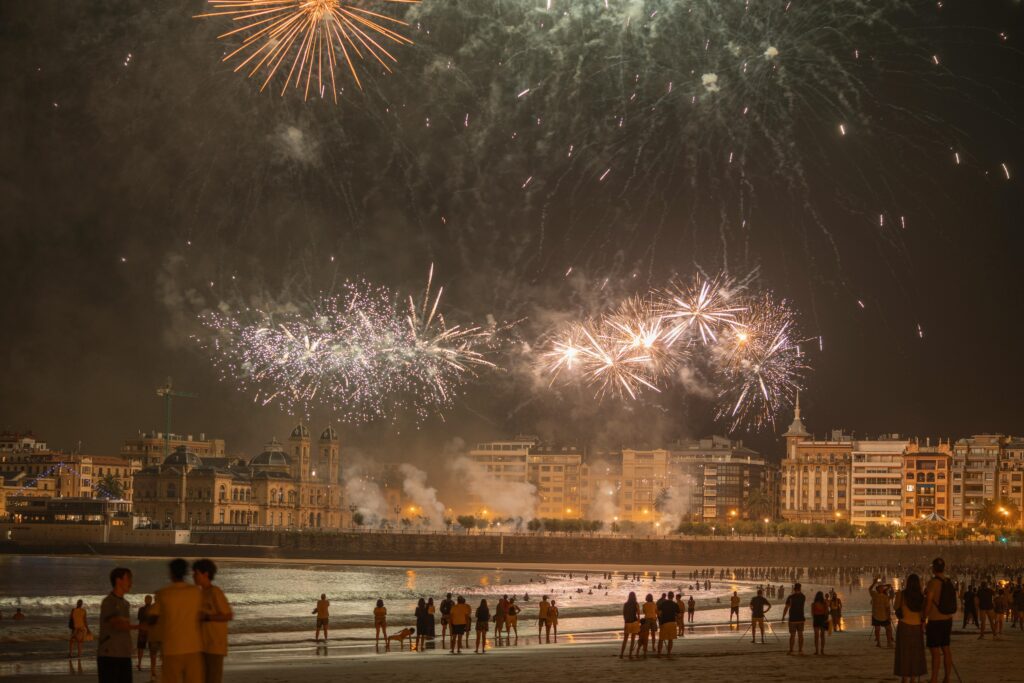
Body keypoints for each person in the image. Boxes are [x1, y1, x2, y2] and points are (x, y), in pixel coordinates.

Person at [151, 557, 204, 683]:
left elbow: (152, 618)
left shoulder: (163, 593)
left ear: (171, 573)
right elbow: (201, 616)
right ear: (186, 572)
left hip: (171, 647)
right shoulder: (196, 592)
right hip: (193, 646)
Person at [98, 567, 142, 683]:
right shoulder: (109, 602)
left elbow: (123, 628)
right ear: (118, 580)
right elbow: (117, 624)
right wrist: (139, 627)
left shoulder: (125, 604)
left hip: (124, 654)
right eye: (128, 579)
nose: (131, 583)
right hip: (109, 655)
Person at [193, 559, 232, 683]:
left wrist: (207, 617)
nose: (193, 576)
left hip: (215, 646)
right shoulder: (199, 593)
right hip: (201, 645)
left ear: (206, 574)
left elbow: (228, 615)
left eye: (196, 573)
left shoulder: (215, 592)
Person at [924, 557, 954, 683]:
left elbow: (929, 602)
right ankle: (947, 677)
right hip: (947, 619)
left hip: (935, 620)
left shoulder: (933, 583)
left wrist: (923, 617)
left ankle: (934, 678)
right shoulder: (948, 582)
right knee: (946, 649)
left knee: (935, 651)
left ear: (934, 568)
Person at [893, 574, 927, 683]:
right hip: (917, 627)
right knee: (916, 654)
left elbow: (895, 607)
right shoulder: (921, 597)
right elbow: (923, 614)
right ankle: (913, 678)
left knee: (904, 653)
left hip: (904, 626)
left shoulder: (902, 594)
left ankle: (904, 678)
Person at [781, 583, 806, 655]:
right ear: (800, 588)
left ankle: (791, 650)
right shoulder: (803, 597)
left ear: (794, 589)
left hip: (792, 619)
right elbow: (799, 595)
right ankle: (800, 650)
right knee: (800, 634)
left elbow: (786, 607)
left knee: (792, 635)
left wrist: (783, 616)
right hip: (801, 618)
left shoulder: (790, 597)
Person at [870, 577, 895, 648]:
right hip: (876, 615)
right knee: (877, 629)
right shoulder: (874, 594)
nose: (882, 589)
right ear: (877, 589)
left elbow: (887, 608)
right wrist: (874, 583)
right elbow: (870, 589)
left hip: (884, 615)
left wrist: (889, 616)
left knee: (888, 629)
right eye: (880, 588)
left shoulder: (885, 596)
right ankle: (878, 642)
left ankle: (889, 643)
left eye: (882, 588)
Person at [657, 591, 679, 657]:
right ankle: (668, 653)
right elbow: (678, 614)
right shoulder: (675, 604)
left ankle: (659, 653)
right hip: (672, 622)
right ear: (673, 597)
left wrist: (659, 620)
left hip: (664, 622)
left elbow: (658, 611)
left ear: (667, 596)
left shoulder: (663, 603)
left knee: (661, 639)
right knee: (670, 639)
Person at [620, 592, 641, 659]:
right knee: (633, 639)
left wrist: (625, 621)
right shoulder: (636, 604)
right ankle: (630, 654)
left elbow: (624, 613)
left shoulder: (625, 604)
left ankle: (622, 654)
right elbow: (638, 613)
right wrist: (638, 621)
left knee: (625, 639)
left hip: (627, 622)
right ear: (634, 597)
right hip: (634, 622)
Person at [136, 595, 153, 673]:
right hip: (150, 630)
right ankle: (153, 666)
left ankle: (139, 663)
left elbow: (139, 618)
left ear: (145, 601)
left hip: (142, 630)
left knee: (141, 648)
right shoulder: (153, 609)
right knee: (152, 649)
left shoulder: (141, 609)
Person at [810, 591, 829, 655]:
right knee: (822, 636)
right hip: (823, 619)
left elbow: (812, 613)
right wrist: (826, 620)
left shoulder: (813, 604)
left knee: (816, 636)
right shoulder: (824, 604)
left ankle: (816, 651)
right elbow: (826, 613)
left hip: (816, 619)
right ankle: (822, 650)